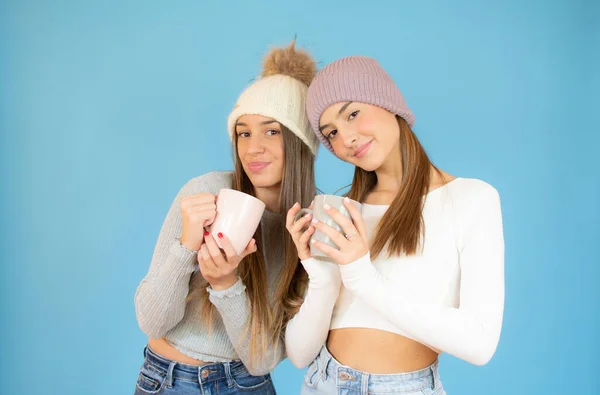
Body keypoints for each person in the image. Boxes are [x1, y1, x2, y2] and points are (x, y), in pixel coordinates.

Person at [286, 55, 505, 394]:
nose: (347, 138)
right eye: (332, 132)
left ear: (389, 103)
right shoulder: (342, 212)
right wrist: (321, 275)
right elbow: (299, 355)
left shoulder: (472, 199)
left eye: (353, 114)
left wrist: (362, 276)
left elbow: (479, 344)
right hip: (322, 383)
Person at [134, 41, 318, 395]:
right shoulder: (205, 191)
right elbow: (152, 320)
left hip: (247, 385)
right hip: (169, 381)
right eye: (243, 132)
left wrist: (225, 285)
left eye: (272, 131)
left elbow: (263, 359)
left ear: (300, 141)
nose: (253, 148)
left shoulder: (308, 223)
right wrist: (186, 246)